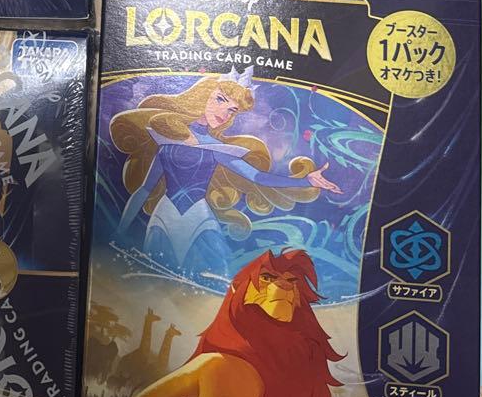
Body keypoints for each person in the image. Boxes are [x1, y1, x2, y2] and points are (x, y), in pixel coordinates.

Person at [112, 70, 340, 275]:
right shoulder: (166, 137)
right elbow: (144, 190)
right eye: (220, 99)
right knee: (154, 278)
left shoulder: (216, 148)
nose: (225, 113)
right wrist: (119, 232)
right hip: (164, 216)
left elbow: (257, 177)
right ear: (202, 96)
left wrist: (307, 180)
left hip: (199, 217)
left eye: (232, 110)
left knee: (214, 278)